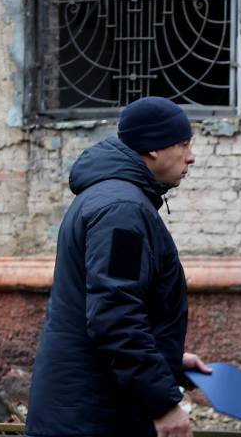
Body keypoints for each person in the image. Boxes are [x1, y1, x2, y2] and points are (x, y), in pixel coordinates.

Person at [26, 97, 210, 437]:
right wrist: (162, 403)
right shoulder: (121, 211)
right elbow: (115, 316)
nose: (191, 156)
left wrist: (168, 359)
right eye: (183, 144)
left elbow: (113, 304)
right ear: (154, 147)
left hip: (89, 408)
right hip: (92, 416)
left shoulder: (115, 199)